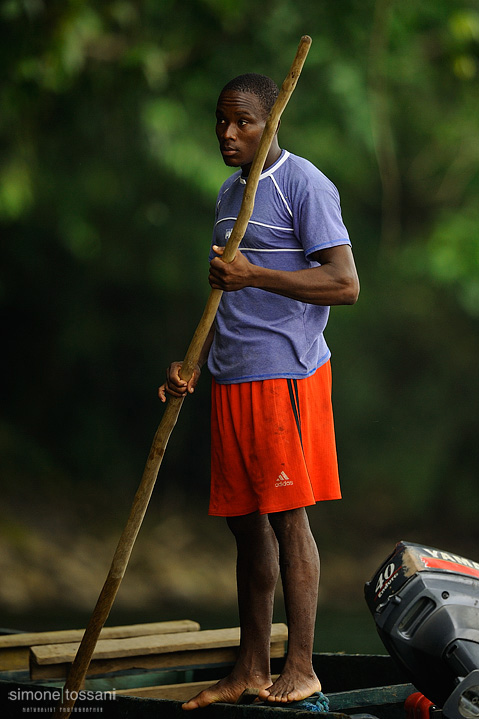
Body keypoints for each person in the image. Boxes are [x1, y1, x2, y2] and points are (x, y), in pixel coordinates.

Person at [158, 73, 359, 710]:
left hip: (286, 375)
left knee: (288, 518)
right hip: (230, 373)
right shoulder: (228, 193)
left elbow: (345, 283)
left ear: (272, 122)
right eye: (221, 120)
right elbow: (225, 292)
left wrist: (257, 274)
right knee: (246, 527)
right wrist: (190, 363)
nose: (228, 133)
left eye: (243, 121)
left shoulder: (304, 183)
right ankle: (250, 666)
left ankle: (300, 668)